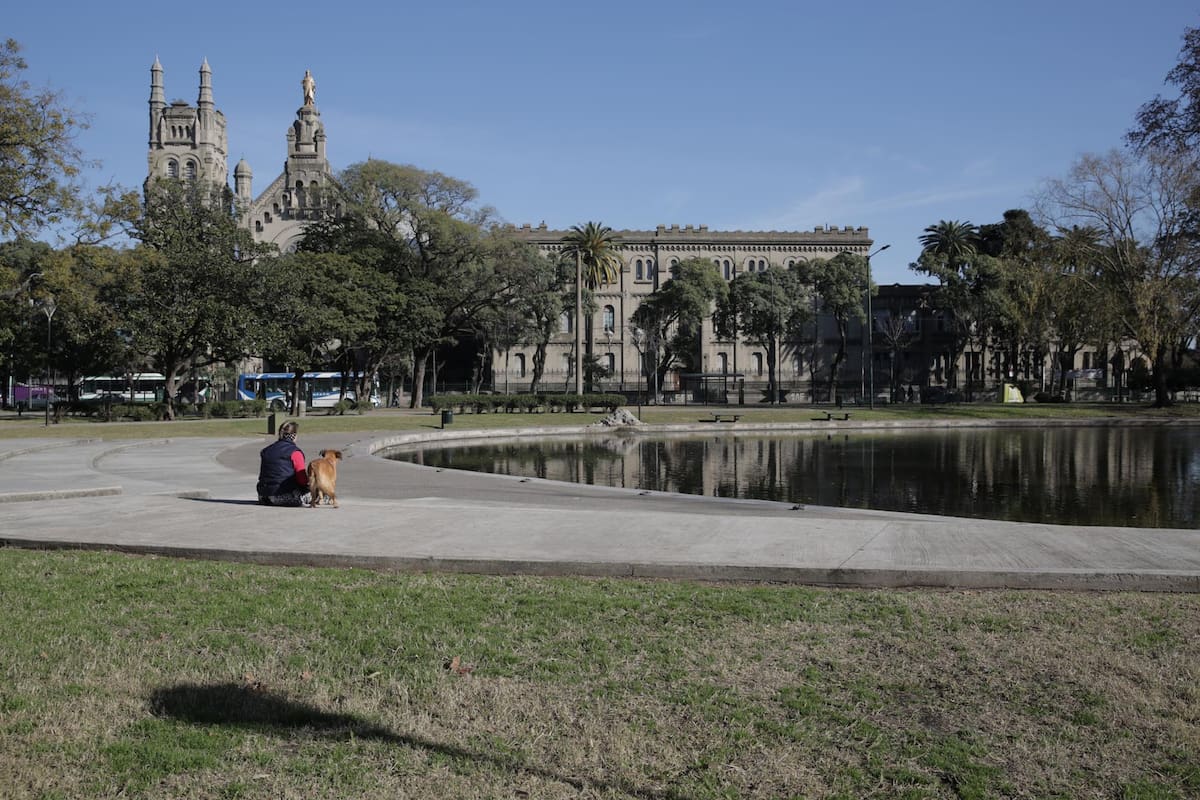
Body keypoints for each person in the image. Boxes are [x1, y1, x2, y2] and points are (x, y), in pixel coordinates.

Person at [257, 420, 310, 506]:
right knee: (322, 494)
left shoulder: (266, 450)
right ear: (294, 435)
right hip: (285, 495)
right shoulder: (295, 452)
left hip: (263, 496)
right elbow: (302, 479)